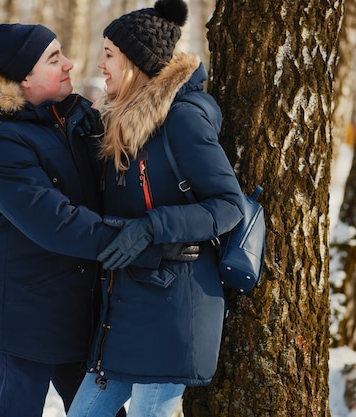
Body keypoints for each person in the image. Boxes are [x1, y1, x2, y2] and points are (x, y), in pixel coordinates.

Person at [0, 23, 195, 417]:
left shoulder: (73, 118)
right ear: (24, 79)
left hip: (81, 311)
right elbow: (57, 222)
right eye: (54, 58)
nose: (69, 64)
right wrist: (146, 244)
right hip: (25, 319)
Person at [66, 0, 245, 416]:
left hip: (175, 305)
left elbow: (227, 205)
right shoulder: (121, 124)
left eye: (109, 54)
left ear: (136, 62)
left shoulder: (181, 119)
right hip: (127, 305)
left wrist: (151, 227)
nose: (100, 63)